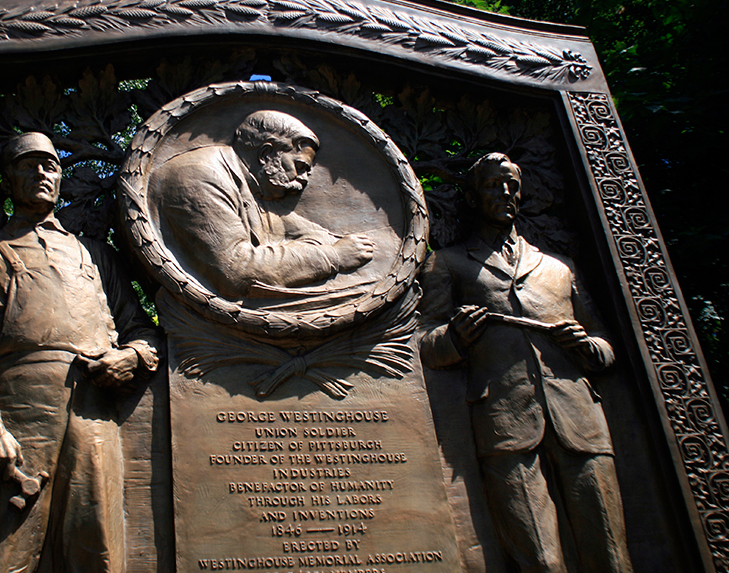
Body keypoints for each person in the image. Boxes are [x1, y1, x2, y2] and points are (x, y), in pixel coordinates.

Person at [0, 132, 160, 573]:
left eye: (49, 165)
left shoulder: (94, 256)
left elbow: (142, 331)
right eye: (27, 164)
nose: (40, 173)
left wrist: (133, 356)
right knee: (4, 549)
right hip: (16, 411)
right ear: (7, 178)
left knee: (98, 548)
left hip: (93, 415)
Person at [419, 153, 633, 573]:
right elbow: (425, 342)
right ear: (472, 196)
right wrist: (456, 338)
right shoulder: (449, 263)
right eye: (492, 184)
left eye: (512, 185)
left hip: (581, 420)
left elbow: (606, 345)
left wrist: (588, 347)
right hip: (505, 422)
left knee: (608, 549)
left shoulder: (558, 268)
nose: (504, 192)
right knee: (538, 559)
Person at [153, 110, 374, 299]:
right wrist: (332, 257)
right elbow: (236, 271)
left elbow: (287, 225)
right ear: (266, 154)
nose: (305, 178)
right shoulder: (200, 176)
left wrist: (330, 242)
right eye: (300, 166)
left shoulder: (249, 182)